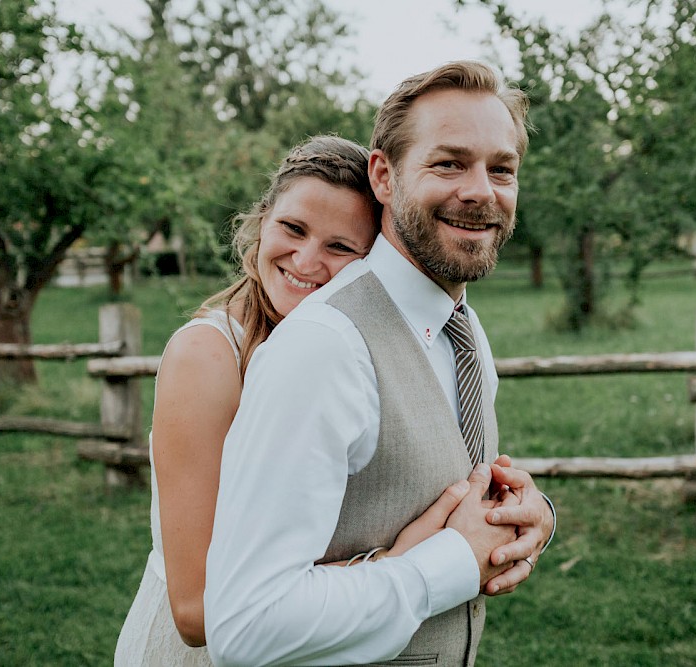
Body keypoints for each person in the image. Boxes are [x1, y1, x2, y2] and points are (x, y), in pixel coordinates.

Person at [205, 61, 556, 666]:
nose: (480, 191)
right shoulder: (325, 347)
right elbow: (246, 627)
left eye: (501, 169)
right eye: (449, 163)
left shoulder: (464, 331)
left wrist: (528, 520)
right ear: (384, 177)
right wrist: (449, 564)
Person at [115, 135, 492, 666]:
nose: (307, 259)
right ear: (262, 221)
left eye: (341, 247)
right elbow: (197, 611)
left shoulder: (352, 352)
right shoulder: (208, 357)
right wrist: (403, 561)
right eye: (293, 229)